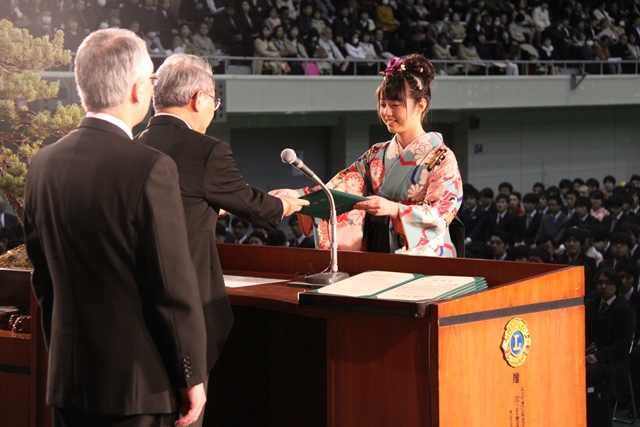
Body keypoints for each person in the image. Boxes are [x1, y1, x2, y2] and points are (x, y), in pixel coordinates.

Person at [23, 29, 208, 427]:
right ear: (139, 90)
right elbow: (171, 287)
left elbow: (44, 282)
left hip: (69, 383)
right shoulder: (150, 167)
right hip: (138, 387)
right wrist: (191, 375)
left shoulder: (42, 165)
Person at [134, 53, 308, 424]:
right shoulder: (206, 150)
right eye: (215, 100)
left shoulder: (134, 145)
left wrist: (218, 207)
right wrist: (287, 203)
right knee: (187, 414)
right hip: (186, 311)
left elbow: (176, 203)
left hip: (135, 311)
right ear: (199, 99)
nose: (214, 109)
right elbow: (257, 209)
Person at [273, 54, 463, 256]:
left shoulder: (442, 157)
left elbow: (442, 212)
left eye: (395, 105)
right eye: (383, 105)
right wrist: (299, 196)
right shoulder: (377, 153)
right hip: (376, 244)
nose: (387, 113)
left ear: (421, 106)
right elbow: (343, 187)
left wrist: (395, 210)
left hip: (416, 250)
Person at [586, 268, 636, 408]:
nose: (603, 286)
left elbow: (623, 344)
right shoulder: (590, 305)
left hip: (612, 362)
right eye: (600, 283)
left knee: (586, 374)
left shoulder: (626, 311)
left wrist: (598, 356)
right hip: (586, 355)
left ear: (616, 286)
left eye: (608, 283)